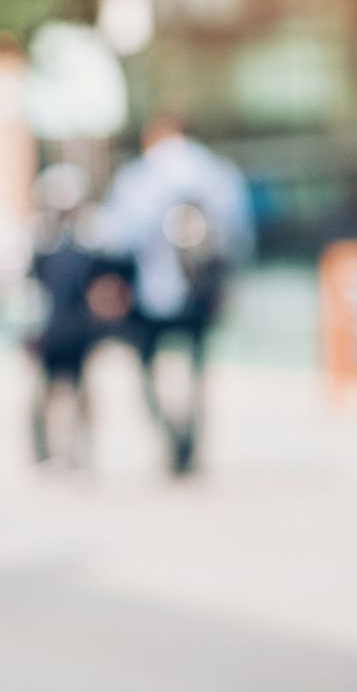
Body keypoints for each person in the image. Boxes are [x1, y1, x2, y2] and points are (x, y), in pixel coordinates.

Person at [96, 114, 253, 477]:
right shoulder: (216, 172)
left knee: (147, 367)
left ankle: (171, 437)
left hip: (149, 294)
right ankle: (193, 442)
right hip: (202, 291)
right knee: (198, 369)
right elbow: (239, 235)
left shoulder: (137, 177)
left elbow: (118, 238)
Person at [26, 164, 112, 475]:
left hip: (73, 327)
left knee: (75, 391)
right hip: (55, 328)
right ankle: (48, 455)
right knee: (46, 395)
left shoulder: (88, 238)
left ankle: (78, 454)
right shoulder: (41, 239)